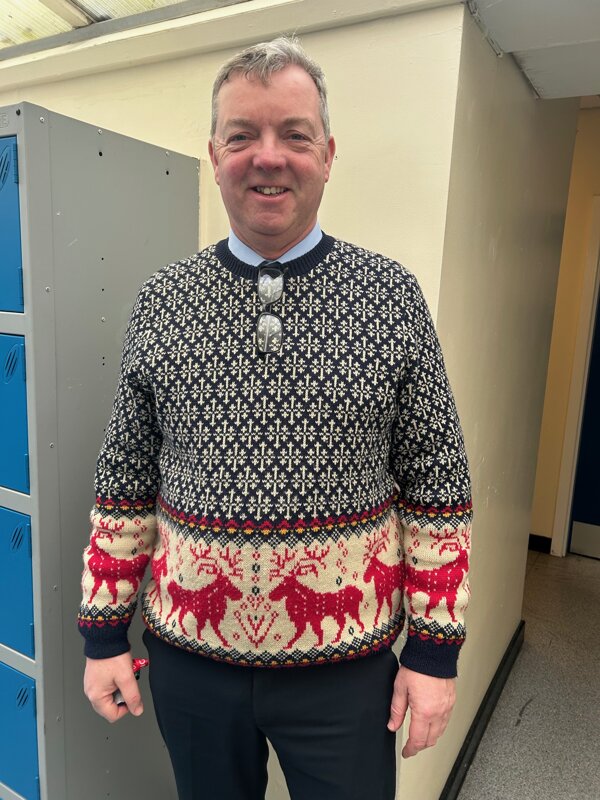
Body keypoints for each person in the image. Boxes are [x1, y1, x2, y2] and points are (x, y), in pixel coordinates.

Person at [80, 36, 472, 800]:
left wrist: (434, 655)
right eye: (242, 136)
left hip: (348, 677)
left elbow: (438, 486)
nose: (268, 157)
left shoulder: (390, 296)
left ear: (327, 154)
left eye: (294, 134)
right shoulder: (163, 300)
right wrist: (102, 634)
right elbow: (124, 480)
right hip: (189, 668)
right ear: (213, 153)